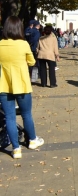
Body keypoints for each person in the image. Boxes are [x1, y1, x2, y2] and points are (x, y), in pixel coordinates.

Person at [0, 16, 44, 159]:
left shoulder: (0, 44)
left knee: (9, 118)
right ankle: (32, 140)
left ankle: (16, 149)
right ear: (19, 28)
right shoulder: (23, 44)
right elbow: (31, 62)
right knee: (26, 115)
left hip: (4, 85)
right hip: (22, 85)